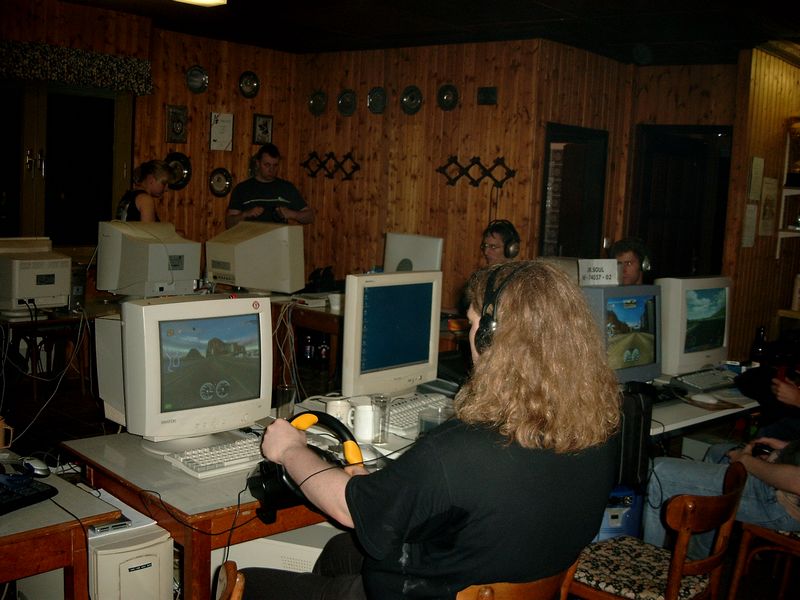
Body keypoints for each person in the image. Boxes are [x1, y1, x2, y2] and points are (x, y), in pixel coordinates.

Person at [244, 260, 621, 600]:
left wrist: (290, 449)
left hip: (427, 591)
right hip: (505, 575)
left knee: (246, 582)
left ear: (491, 337)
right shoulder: (600, 432)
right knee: (339, 552)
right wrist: (382, 491)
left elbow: (347, 509)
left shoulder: (459, 451)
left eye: (471, 324)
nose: (468, 337)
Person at [642, 437, 800, 560]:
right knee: (718, 452)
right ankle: (695, 561)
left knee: (658, 472)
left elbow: (796, 482)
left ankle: (650, 564)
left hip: (778, 500)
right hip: (780, 479)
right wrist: (787, 449)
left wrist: (745, 460)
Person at [226, 143, 314, 228]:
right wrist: (245, 214)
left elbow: (310, 217)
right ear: (258, 163)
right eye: (267, 165)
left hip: (278, 238)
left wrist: (292, 214)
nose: (271, 169)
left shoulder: (287, 188)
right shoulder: (242, 189)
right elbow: (229, 223)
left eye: (275, 165)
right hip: (251, 238)